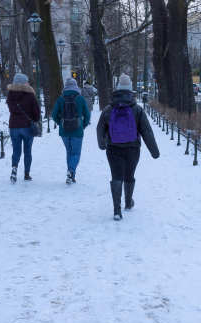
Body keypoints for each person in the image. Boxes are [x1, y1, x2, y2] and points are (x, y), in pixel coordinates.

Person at [96, 73, 160, 221]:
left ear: (117, 89)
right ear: (131, 90)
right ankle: (128, 203)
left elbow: (100, 129)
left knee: (116, 176)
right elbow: (147, 131)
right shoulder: (137, 109)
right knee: (129, 175)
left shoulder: (108, 109)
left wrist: (102, 145)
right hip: (133, 148)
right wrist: (154, 152)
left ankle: (117, 210)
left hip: (113, 148)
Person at [52, 77, 91, 184]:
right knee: (76, 153)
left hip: (64, 130)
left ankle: (70, 175)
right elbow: (87, 115)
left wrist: (60, 123)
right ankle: (71, 171)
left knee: (69, 152)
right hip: (77, 129)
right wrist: (83, 125)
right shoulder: (80, 98)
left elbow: (54, 114)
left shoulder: (61, 98)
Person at [6, 73, 41, 183]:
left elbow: (11, 108)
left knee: (16, 151)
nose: (28, 83)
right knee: (27, 151)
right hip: (27, 125)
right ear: (22, 82)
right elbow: (36, 110)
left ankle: (14, 169)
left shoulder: (10, 95)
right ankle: (26, 174)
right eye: (26, 81)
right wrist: (35, 119)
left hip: (14, 125)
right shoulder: (29, 94)